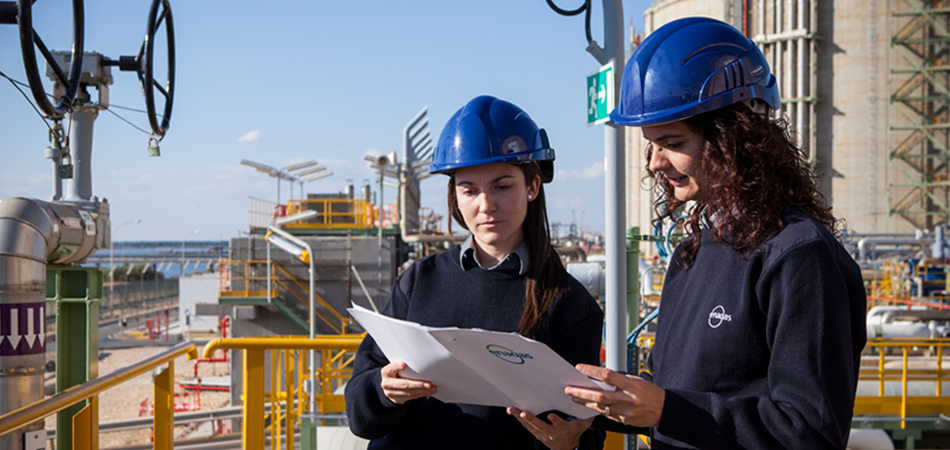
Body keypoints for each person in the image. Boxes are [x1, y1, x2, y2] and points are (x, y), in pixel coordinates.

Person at [564, 17, 868, 449]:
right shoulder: (693, 252)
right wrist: (595, 416)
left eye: (671, 142)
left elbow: (810, 432)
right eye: (651, 144)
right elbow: (684, 399)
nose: (654, 162)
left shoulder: (798, 257)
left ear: (733, 138)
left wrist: (666, 409)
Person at [345, 95, 606, 450]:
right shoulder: (419, 280)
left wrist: (568, 444)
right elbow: (360, 415)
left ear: (532, 187)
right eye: (469, 190)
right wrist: (383, 390)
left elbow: (587, 432)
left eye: (502, 186)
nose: (486, 205)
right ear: (455, 195)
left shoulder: (568, 302)